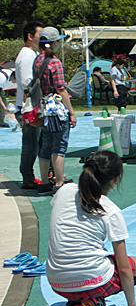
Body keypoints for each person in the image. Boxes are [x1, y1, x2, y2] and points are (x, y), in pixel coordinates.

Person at [45, 150, 136, 306]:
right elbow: (123, 269)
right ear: (115, 180)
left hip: (57, 283)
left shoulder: (65, 190)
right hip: (93, 283)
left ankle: (75, 304)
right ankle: (96, 298)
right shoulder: (110, 210)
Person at [33, 28, 77, 196]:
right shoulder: (54, 62)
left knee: (46, 146)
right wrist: (71, 112)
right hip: (57, 110)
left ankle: (44, 182)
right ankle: (59, 183)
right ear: (55, 42)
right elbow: (61, 89)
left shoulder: (37, 60)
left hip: (44, 109)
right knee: (59, 146)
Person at [15, 21, 43, 189]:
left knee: (36, 143)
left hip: (31, 106)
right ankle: (27, 177)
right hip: (28, 108)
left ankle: (31, 175)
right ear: (30, 36)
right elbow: (27, 82)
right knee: (31, 145)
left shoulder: (31, 53)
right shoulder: (26, 55)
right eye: (40, 36)